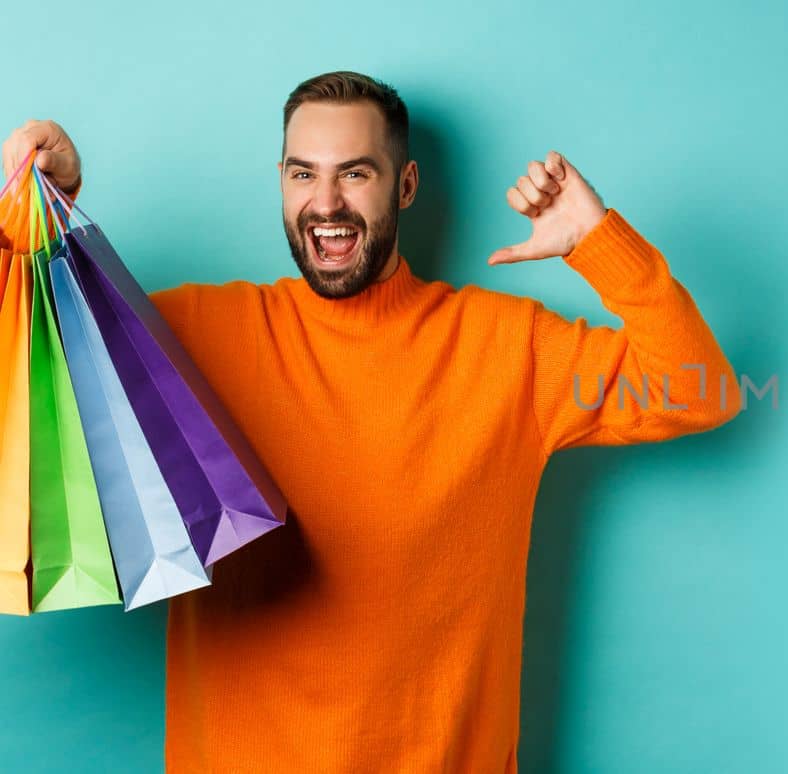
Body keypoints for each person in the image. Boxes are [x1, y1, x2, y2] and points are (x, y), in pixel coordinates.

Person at [2, 70, 740, 772]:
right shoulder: (189, 338)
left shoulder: (509, 348)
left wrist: (599, 242)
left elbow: (699, 392)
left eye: (355, 173)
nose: (325, 202)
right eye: (302, 173)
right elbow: (19, 372)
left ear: (406, 186)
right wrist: (37, 226)